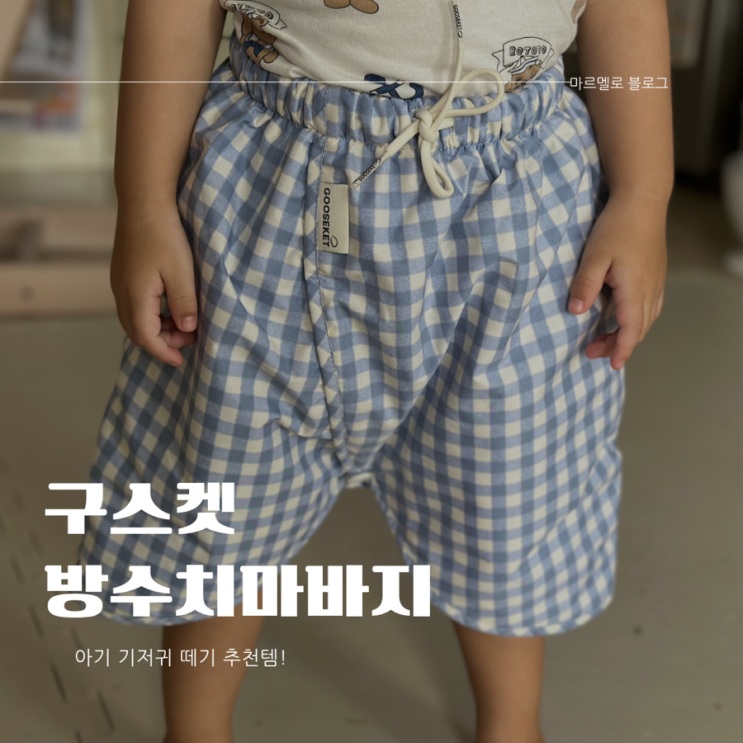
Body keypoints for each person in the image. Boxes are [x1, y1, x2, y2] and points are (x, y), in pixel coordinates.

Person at [76, 1, 673, 742]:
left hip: (520, 207)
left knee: (505, 486)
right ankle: (195, 729)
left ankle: (512, 724)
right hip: (272, 188)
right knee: (227, 484)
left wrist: (643, 196)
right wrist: (142, 202)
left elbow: (624, 11)